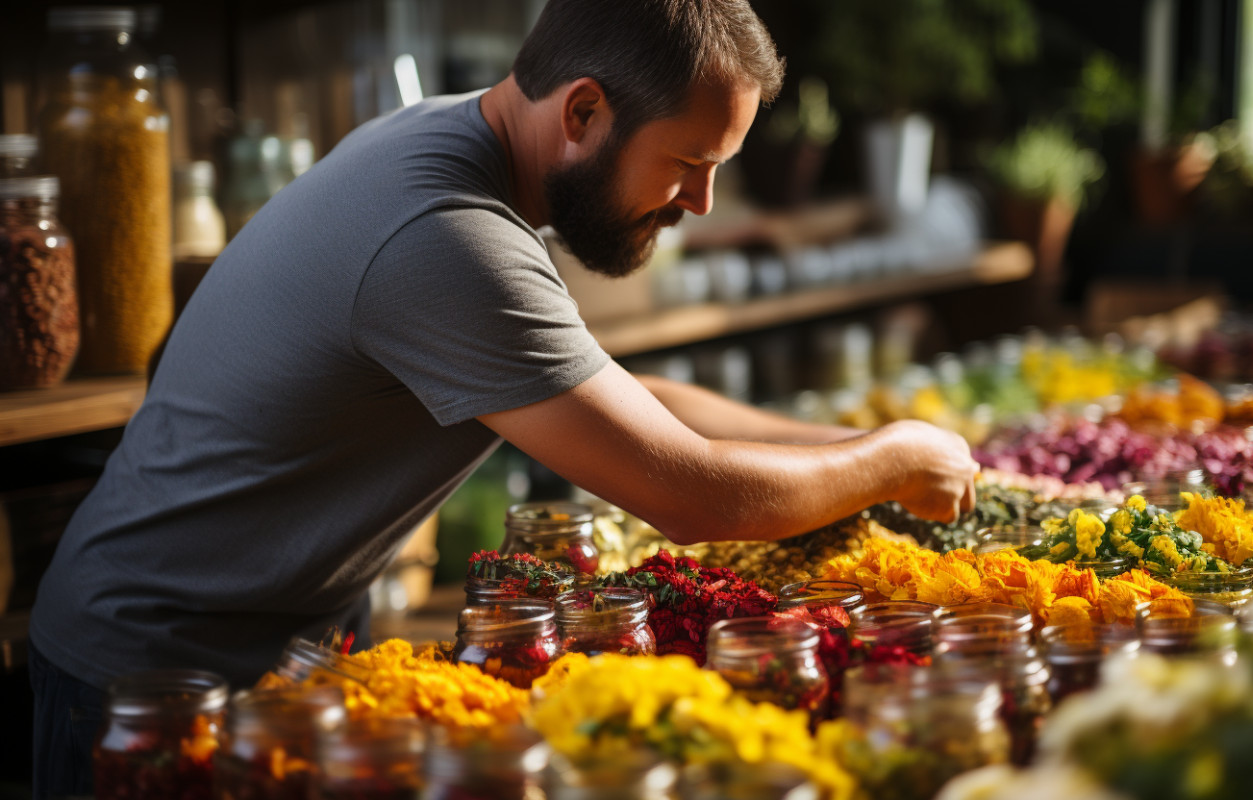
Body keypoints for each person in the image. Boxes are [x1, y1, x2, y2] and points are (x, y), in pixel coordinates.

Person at [28, 0, 978, 795]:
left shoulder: (451, 138)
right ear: (583, 112)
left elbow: (632, 402)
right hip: (151, 677)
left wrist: (858, 443)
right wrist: (889, 461)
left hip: (271, 644)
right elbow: (694, 499)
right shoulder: (447, 237)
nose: (702, 205)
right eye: (690, 163)